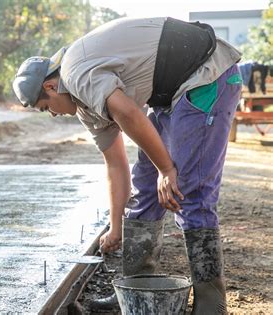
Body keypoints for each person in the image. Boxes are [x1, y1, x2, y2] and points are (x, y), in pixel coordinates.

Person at [12, 17, 242, 314]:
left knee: (187, 189)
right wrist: (117, 227)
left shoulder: (76, 73)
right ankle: (134, 291)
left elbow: (130, 114)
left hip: (207, 74)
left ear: (50, 85)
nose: (52, 115)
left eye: (46, 108)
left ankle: (212, 304)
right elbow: (115, 165)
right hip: (173, 93)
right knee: (146, 186)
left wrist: (167, 169)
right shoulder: (86, 107)